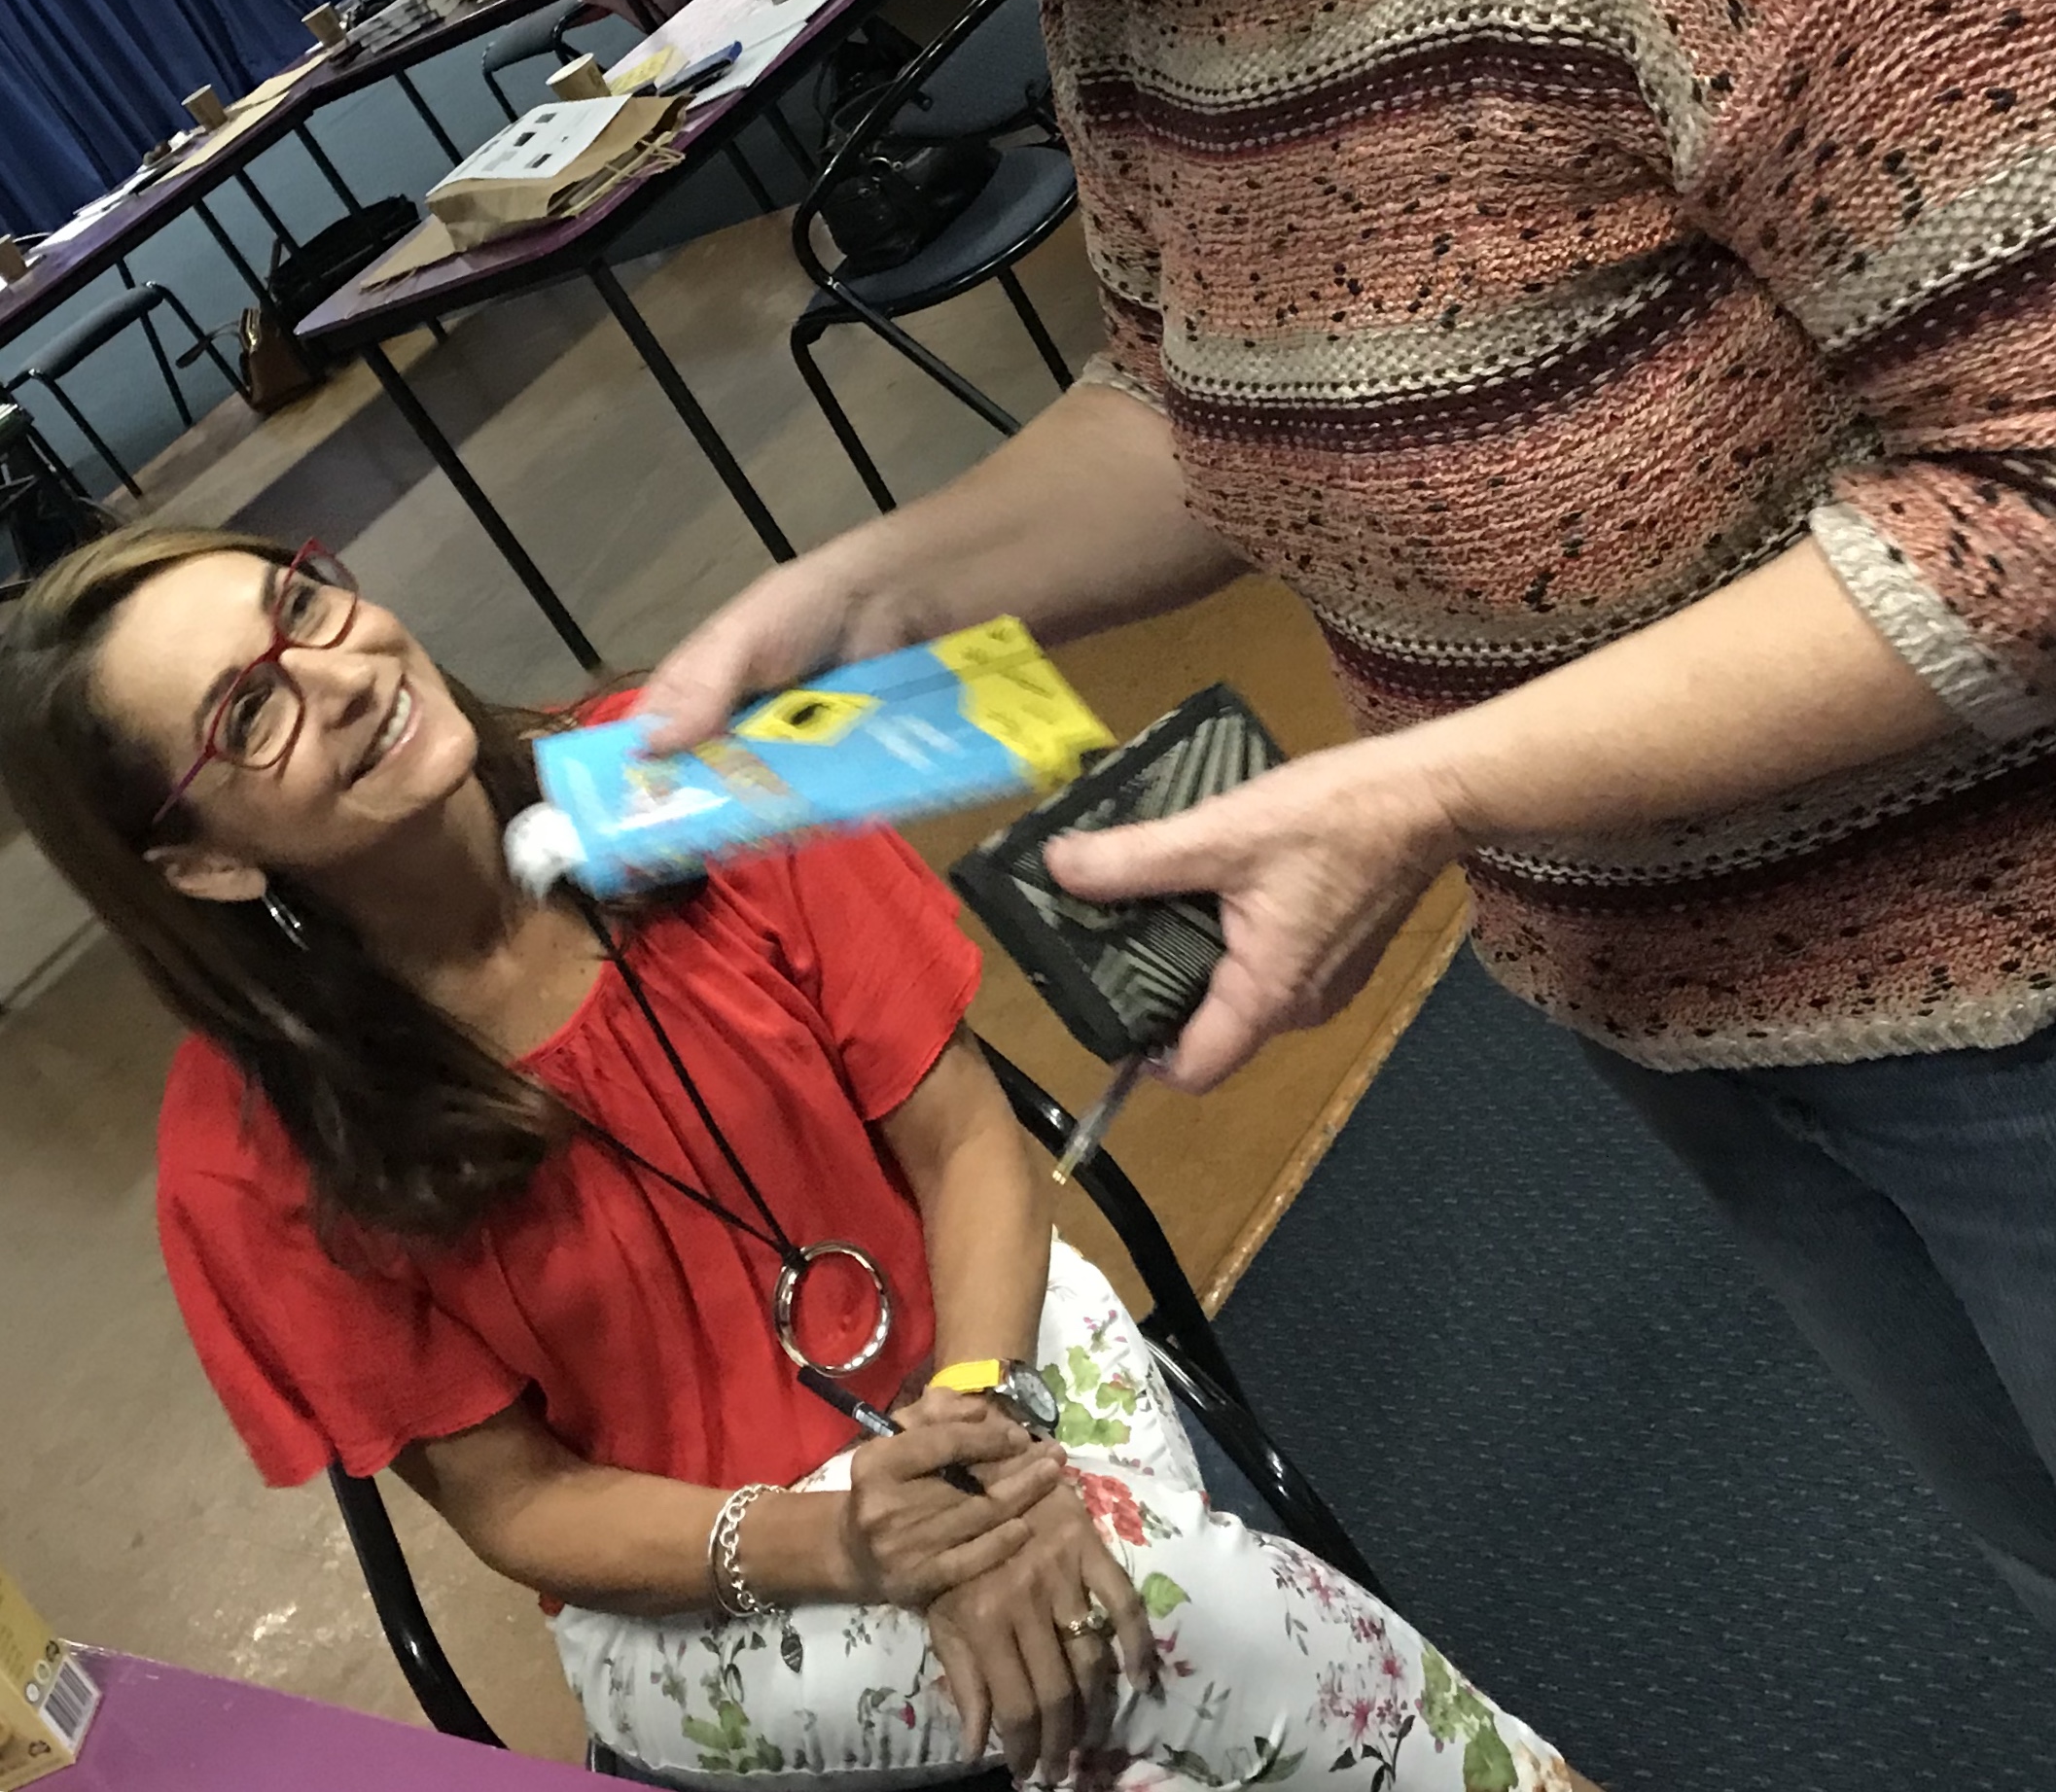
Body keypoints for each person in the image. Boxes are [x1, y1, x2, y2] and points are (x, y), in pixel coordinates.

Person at [589, 0, 2056, 1636]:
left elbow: (2030, 487)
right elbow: (1217, 385)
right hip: (1677, 999)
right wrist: (872, 595)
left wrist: (1427, 785)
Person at [0, 527, 1583, 1792]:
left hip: (988, 1352)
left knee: (1122, 1661)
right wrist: (847, 1539)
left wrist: (969, 1429)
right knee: (1162, 1619)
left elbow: (964, 1143)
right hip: (711, 1566)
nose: (338, 675)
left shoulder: (677, 766)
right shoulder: (249, 1159)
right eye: (247, 714)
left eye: (302, 602)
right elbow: (520, 1509)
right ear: (201, 864)